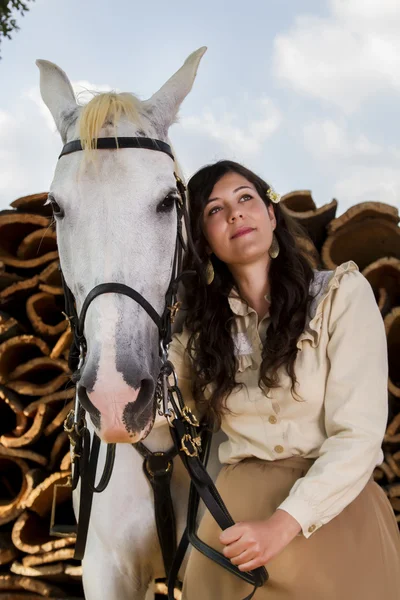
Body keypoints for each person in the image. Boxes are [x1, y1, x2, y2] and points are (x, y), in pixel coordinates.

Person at [168, 160, 400, 600]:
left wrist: (282, 525)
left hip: (338, 528)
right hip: (233, 536)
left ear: (271, 215)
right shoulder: (200, 337)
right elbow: (148, 416)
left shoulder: (341, 296)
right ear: (205, 242)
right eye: (214, 210)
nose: (234, 214)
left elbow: (360, 435)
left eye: (245, 199)